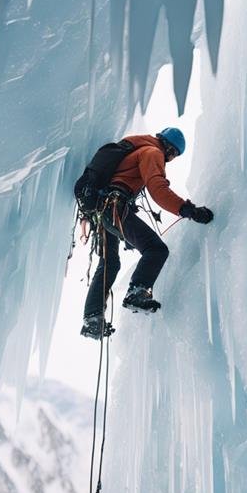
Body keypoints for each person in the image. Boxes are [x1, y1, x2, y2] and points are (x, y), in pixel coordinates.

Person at [81, 127, 214, 339]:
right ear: (169, 148)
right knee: (156, 249)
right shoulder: (153, 153)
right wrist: (187, 209)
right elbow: (158, 189)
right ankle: (137, 292)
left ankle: (92, 319)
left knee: (110, 263)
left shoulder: (137, 148)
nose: (170, 159)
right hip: (115, 206)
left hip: (103, 210)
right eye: (173, 155)